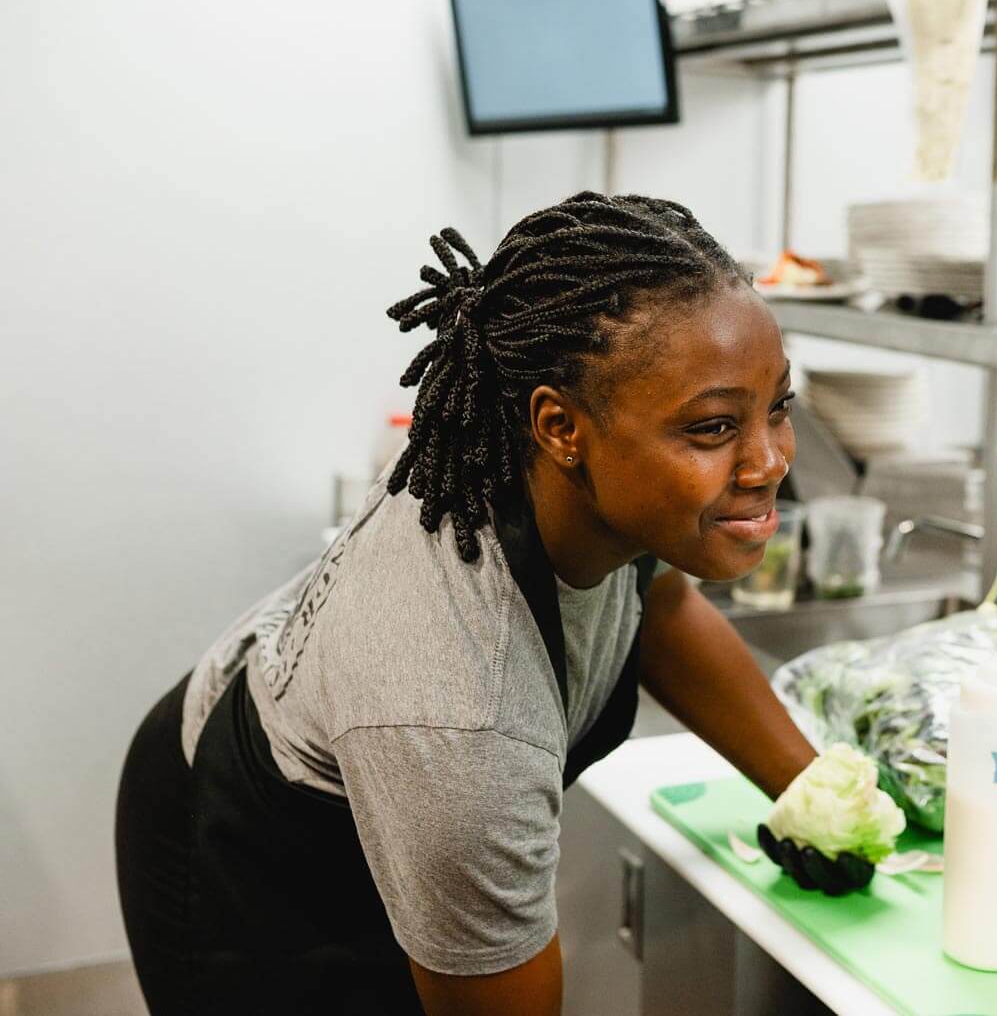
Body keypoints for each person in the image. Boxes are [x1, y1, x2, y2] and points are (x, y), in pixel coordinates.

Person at [114, 192, 858, 1014]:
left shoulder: (564, 477)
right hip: (252, 851)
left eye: (778, 406)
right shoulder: (461, 712)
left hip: (389, 790)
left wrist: (812, 797)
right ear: (560, 427)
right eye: (714, 428)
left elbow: (665, 611)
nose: (769, 460)